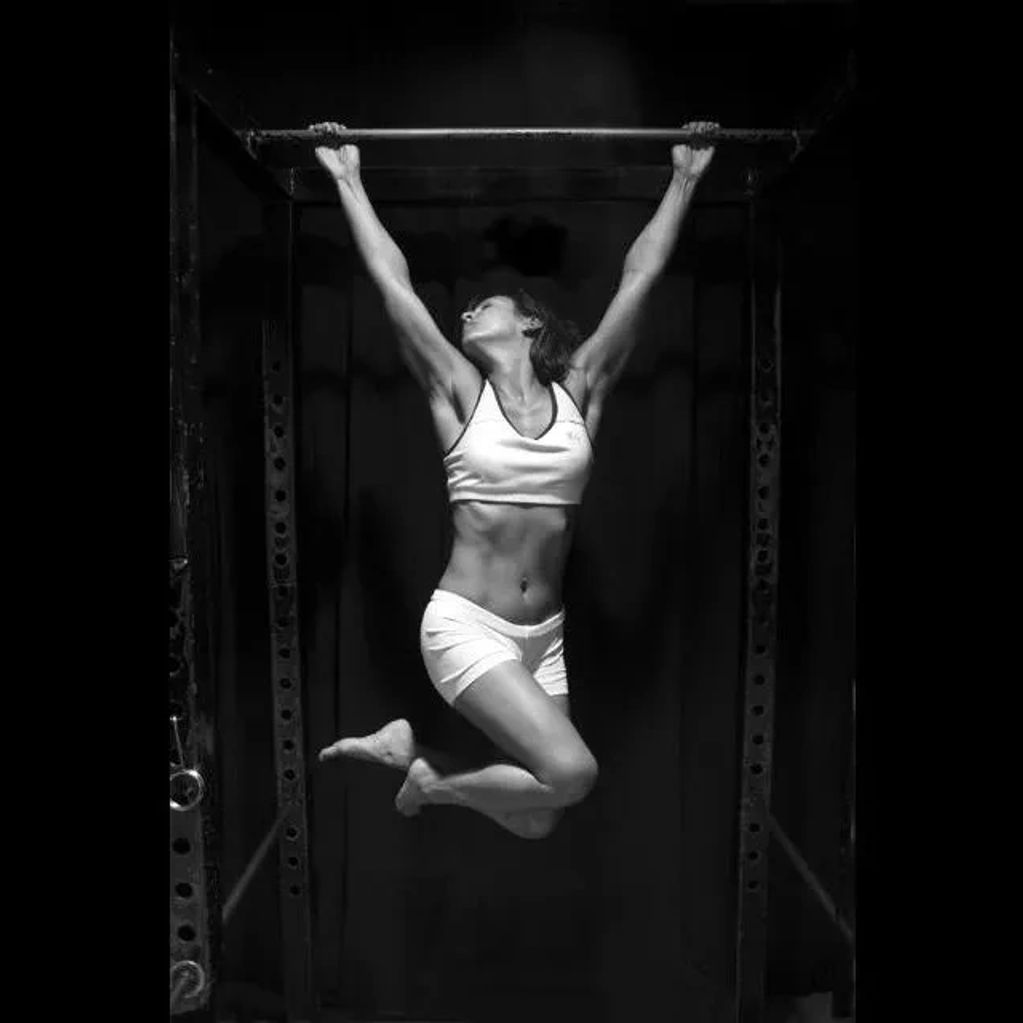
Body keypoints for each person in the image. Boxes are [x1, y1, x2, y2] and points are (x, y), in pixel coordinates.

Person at [314, 120, 716, 839]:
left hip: (545, 637)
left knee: (537, 819)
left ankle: (418, 761)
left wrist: (683, 179)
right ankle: (428, 780)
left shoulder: (580, 391)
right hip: (466, 625)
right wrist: (348, 180)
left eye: (487, 303)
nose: (468, 308)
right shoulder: (461, 395)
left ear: (530, 324)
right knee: (573, 773)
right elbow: (392, 283)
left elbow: (639, 279)